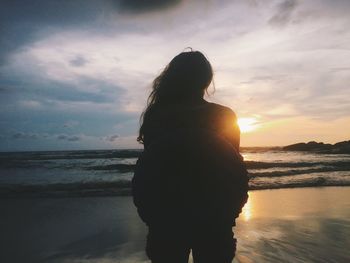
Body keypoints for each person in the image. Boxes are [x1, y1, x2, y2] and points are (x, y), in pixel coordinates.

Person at [132, 50, 248, 263]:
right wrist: (231, 209)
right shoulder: (224, 115)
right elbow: (234, 166)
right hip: (215, 213)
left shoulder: (158, 115)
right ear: (207, 79)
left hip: (166, 215)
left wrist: (151, 212)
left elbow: (152, 167)